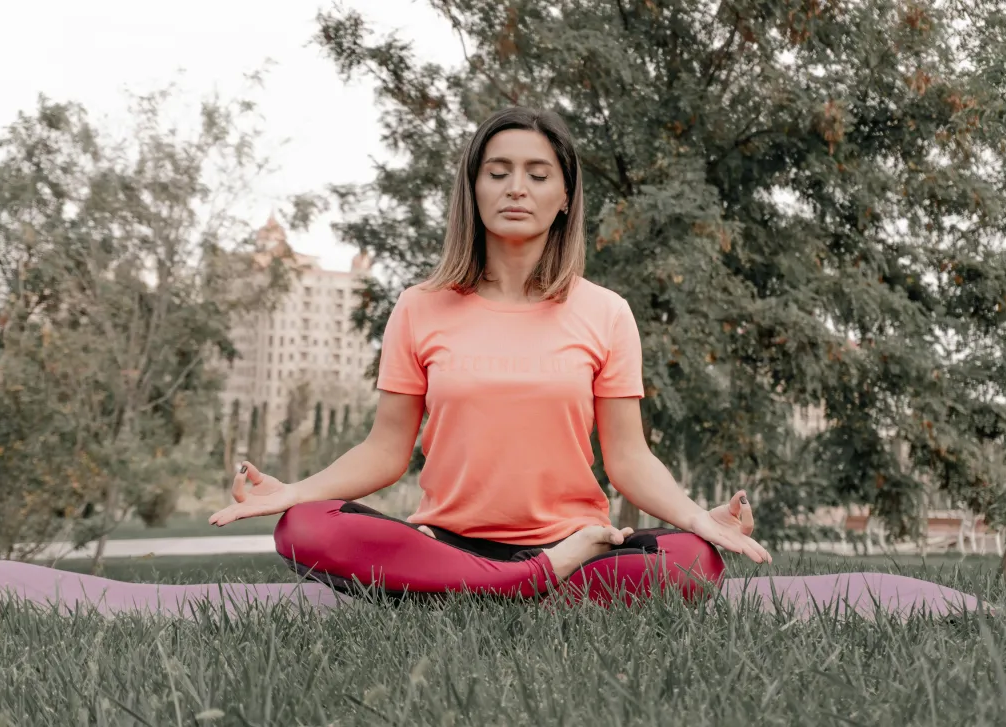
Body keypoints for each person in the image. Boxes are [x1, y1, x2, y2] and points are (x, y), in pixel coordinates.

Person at [209, 107, 771, 603]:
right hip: (447, 541)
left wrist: (698, 517)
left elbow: (627, 459)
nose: (515, 188)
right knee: (304, 528)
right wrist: (295, 492)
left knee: (695, 561)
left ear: (565, 196)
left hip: (576, 542)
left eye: (537, 174)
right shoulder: (419, 306)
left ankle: (468, 587)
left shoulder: (606, 312)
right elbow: (385, 450)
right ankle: (531, 583)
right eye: (497, 173)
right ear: (474, 191)